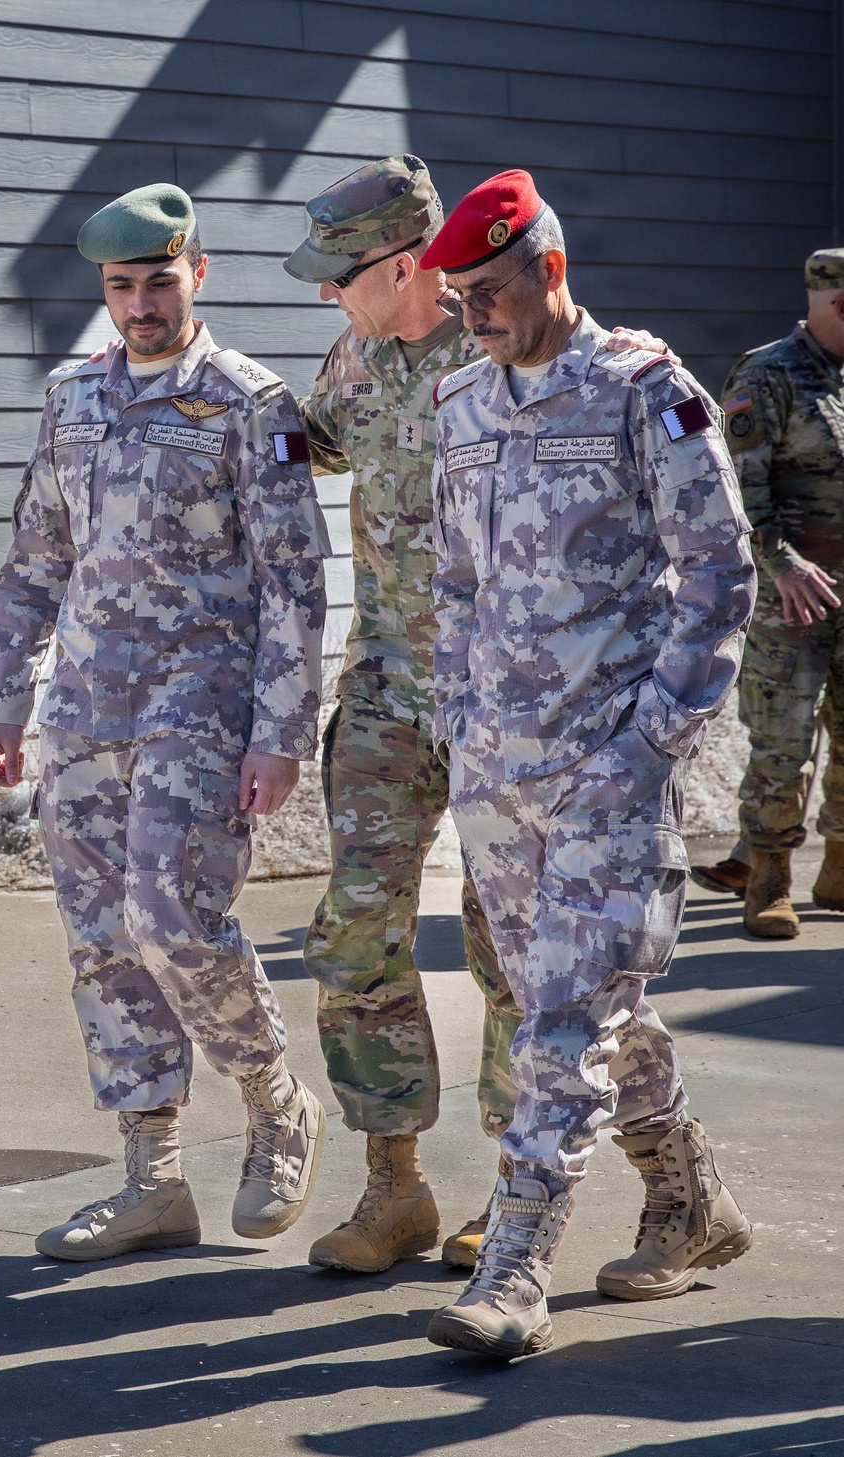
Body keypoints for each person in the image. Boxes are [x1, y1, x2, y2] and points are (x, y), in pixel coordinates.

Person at [282, 154, 678, 1277]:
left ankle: (513, 1191)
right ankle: (392, 1180)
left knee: (514, 952)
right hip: (387, 693)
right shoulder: (356, 353)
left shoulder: (506, 352)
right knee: (354, 930)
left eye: (339, 273)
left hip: (512, 705)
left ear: (403, 264)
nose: (325, 293)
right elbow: (298, 444)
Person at [422, 169, 757, 1359]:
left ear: (550, 268)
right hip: (497, 774)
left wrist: (649, 742)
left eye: (492, 290)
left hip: (608, 769)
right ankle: (691, 1197)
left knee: (560, 1021)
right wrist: (455, 716)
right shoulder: (459, 403)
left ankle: (514, 1269)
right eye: (457, 295)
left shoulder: (642, 390)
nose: (473, 315)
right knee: (583, 1006)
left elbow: (719, 574)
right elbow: (453, 581)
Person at [0, 183, 330, 1261]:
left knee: (175, 918)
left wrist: (280, 730)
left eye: (159, 281)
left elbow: (294, 580)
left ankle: (276, 1101)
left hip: (202, 699)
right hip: (87, 703)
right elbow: (38, 551)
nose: (140, 304)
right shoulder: (72, 396)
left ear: (198, 276)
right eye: (122, 286)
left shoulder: (248, 403)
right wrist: (6, 691)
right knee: (99, 939)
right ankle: (151, 1179)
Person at [689, 249, 844, 937]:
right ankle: (769, 882)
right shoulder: (768, 374)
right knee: (783, 745)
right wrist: (781, 563)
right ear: (835, 302)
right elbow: (739, 491)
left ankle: (838, 868)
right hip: (792, 598)